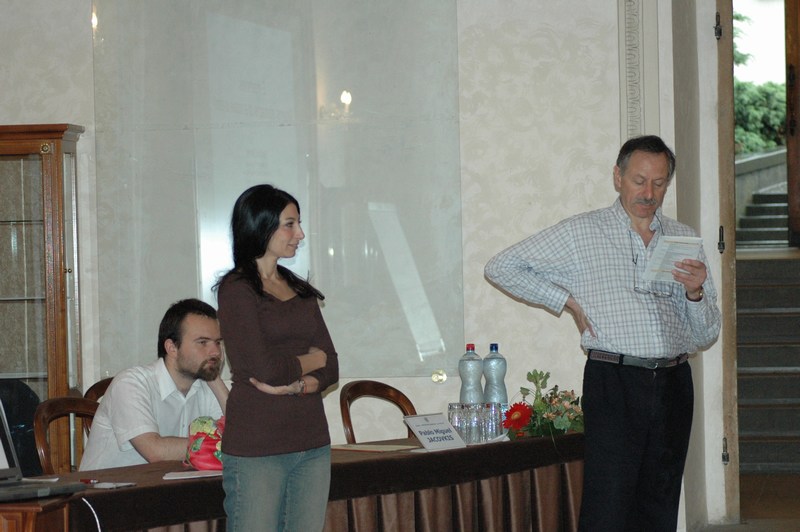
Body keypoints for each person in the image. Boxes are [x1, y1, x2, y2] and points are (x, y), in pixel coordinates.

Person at [484, 135, 721, 531]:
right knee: (608, 506)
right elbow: (500, 266)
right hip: (614, 381)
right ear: (617, 177)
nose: (648, 193)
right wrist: (566, 302)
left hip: (674, 383)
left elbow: (706, 334)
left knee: (660, 505)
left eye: (659, 183)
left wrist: (695, 293)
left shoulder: (682, 238)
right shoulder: (582, 232)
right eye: (639, 181)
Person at [214, 184, 339, 532]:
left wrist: (296, 386)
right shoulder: (236, 289)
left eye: (298, 223)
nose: (300, 234)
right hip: (258, 446)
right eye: (290, 224)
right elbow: (266, 370)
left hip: (312, 443)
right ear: (261, 226)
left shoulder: (299, 289)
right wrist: (311, 361)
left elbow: (332, 364)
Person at [80, 298, 228, 471]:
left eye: (218, 342)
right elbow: (155, 451)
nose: (215, 352)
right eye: (203, 342)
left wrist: (215, 379)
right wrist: (219, 446)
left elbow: (243, 439)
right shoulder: (130, 384)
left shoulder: (207, 387)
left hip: (170, 486)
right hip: (108, 487)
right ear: (172, 348)